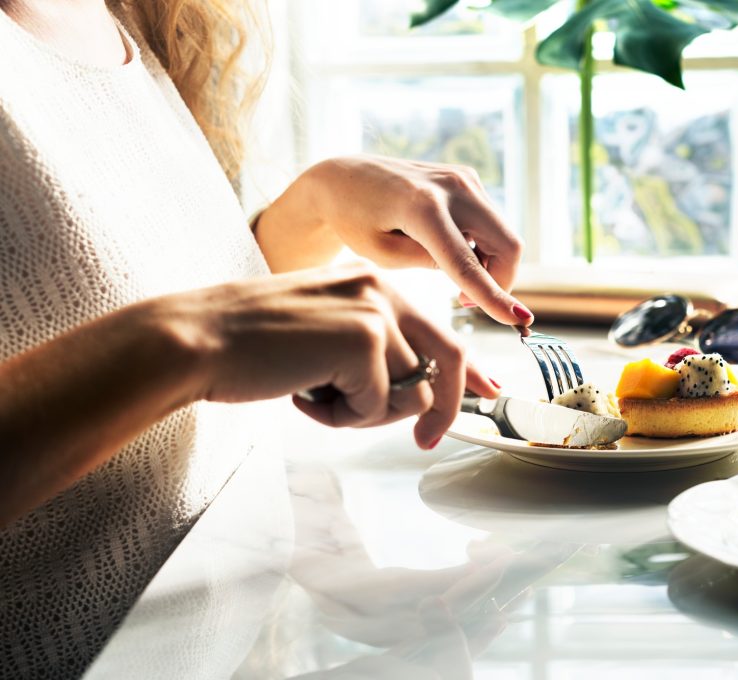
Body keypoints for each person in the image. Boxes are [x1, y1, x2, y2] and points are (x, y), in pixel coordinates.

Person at [0, 0, 532, 676]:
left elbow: (111, 318)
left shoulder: (123, 14)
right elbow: (175, 343)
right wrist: (191, 337)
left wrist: (312, 210)